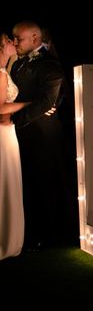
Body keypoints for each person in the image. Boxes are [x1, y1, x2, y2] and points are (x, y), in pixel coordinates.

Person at [2, 21, 67, 250]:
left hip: (42, 136)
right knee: (27, 184)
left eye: (19, 38)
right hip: (19, 135)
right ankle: (28, 233)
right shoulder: (18, 65)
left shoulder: (50, 65)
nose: (16, 42)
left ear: (35, 39)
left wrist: (13, 121)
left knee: (45, 183)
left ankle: (49, 236)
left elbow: (46, 102)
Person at [0, 33, 27, 259]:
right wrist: (30, 104)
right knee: (5, 183)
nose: (14, 43)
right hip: (3, 134)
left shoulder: (4, 69)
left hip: (7, 133)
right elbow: (0, 109)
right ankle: (5, 240)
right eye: (10, 41)